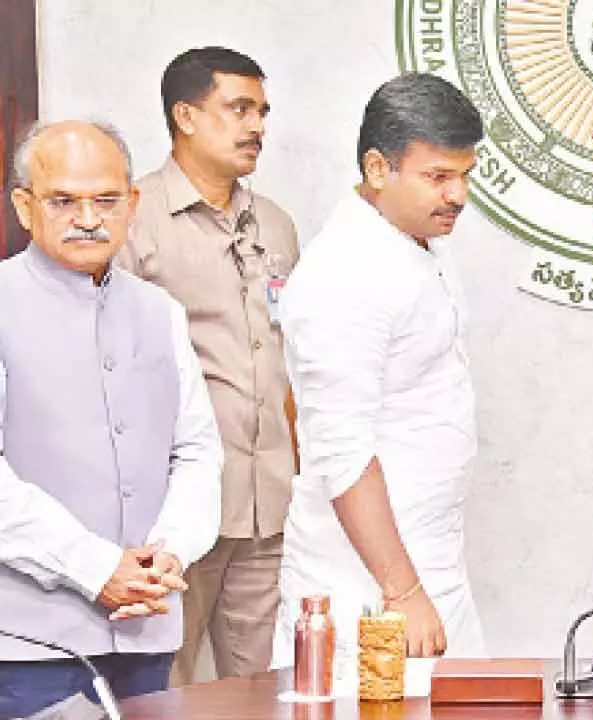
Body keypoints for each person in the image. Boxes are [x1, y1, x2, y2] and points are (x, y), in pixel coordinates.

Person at [0, 120, 222, 717]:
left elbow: (196, 449)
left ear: (133, 203)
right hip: (28, 647)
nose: (89, 218)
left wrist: (169, 555)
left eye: (106, 200)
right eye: (63, 201)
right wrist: (96, 568)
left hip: (148, 630)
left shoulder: (161, 312)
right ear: (25, 207)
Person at [270, 72, 486, 681]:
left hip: (432, 558)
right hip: (367, 582)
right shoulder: (345, 273)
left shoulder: (419, 242)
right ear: (377, 168)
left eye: (466, 175)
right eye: (438, 177)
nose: (459, 195)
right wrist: (403, 590)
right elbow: (341, 449)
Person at [116, 46, 299, 684]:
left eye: (262, 111)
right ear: (186, 116)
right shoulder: (133, 222)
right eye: (239, 108)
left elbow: (289, 365)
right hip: (173, 517)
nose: (257, 127)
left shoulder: (274, 225)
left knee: (263, 688)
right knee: (162, 685)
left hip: (265, 509)